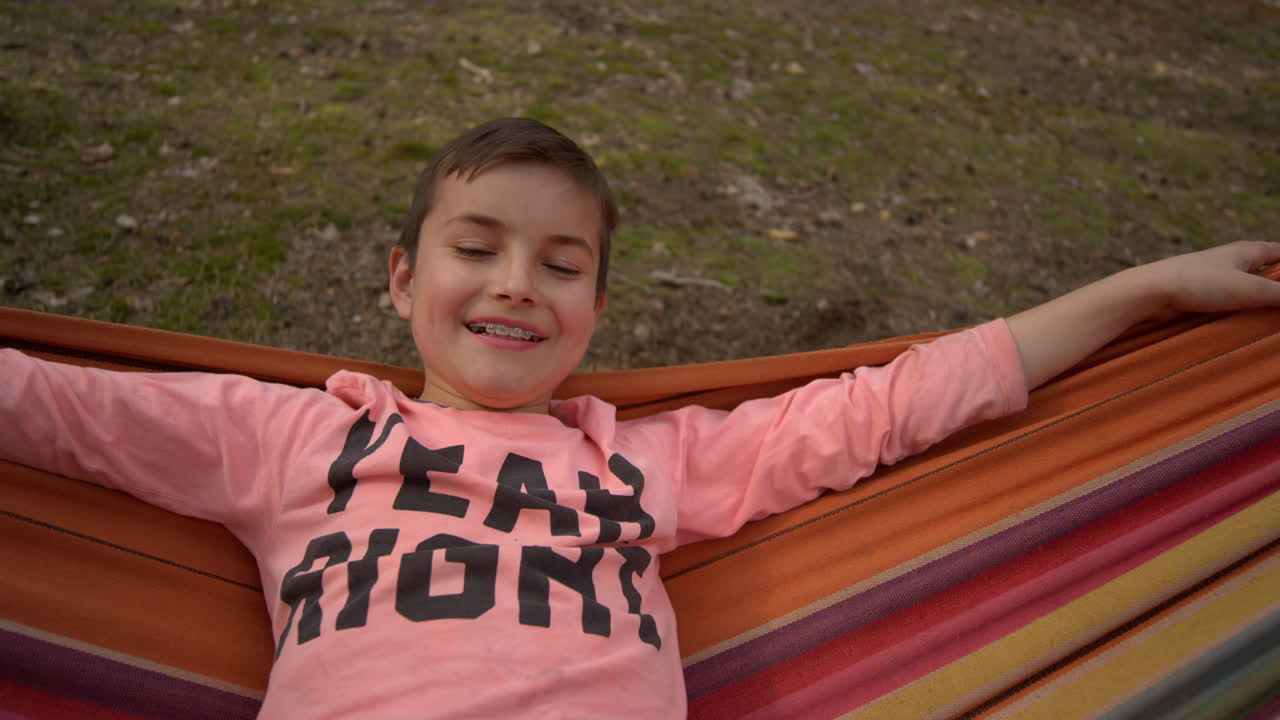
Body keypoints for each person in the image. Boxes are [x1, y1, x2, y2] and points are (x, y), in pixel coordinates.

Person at [3, 117, 1279, 720]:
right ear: (402, 281)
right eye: (477, 247)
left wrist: (1148, 290)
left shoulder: (644, 466)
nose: (515, 282)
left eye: (561, 264)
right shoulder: (294, 438)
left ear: (597, 307)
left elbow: (893, 407)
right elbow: (48, 405)